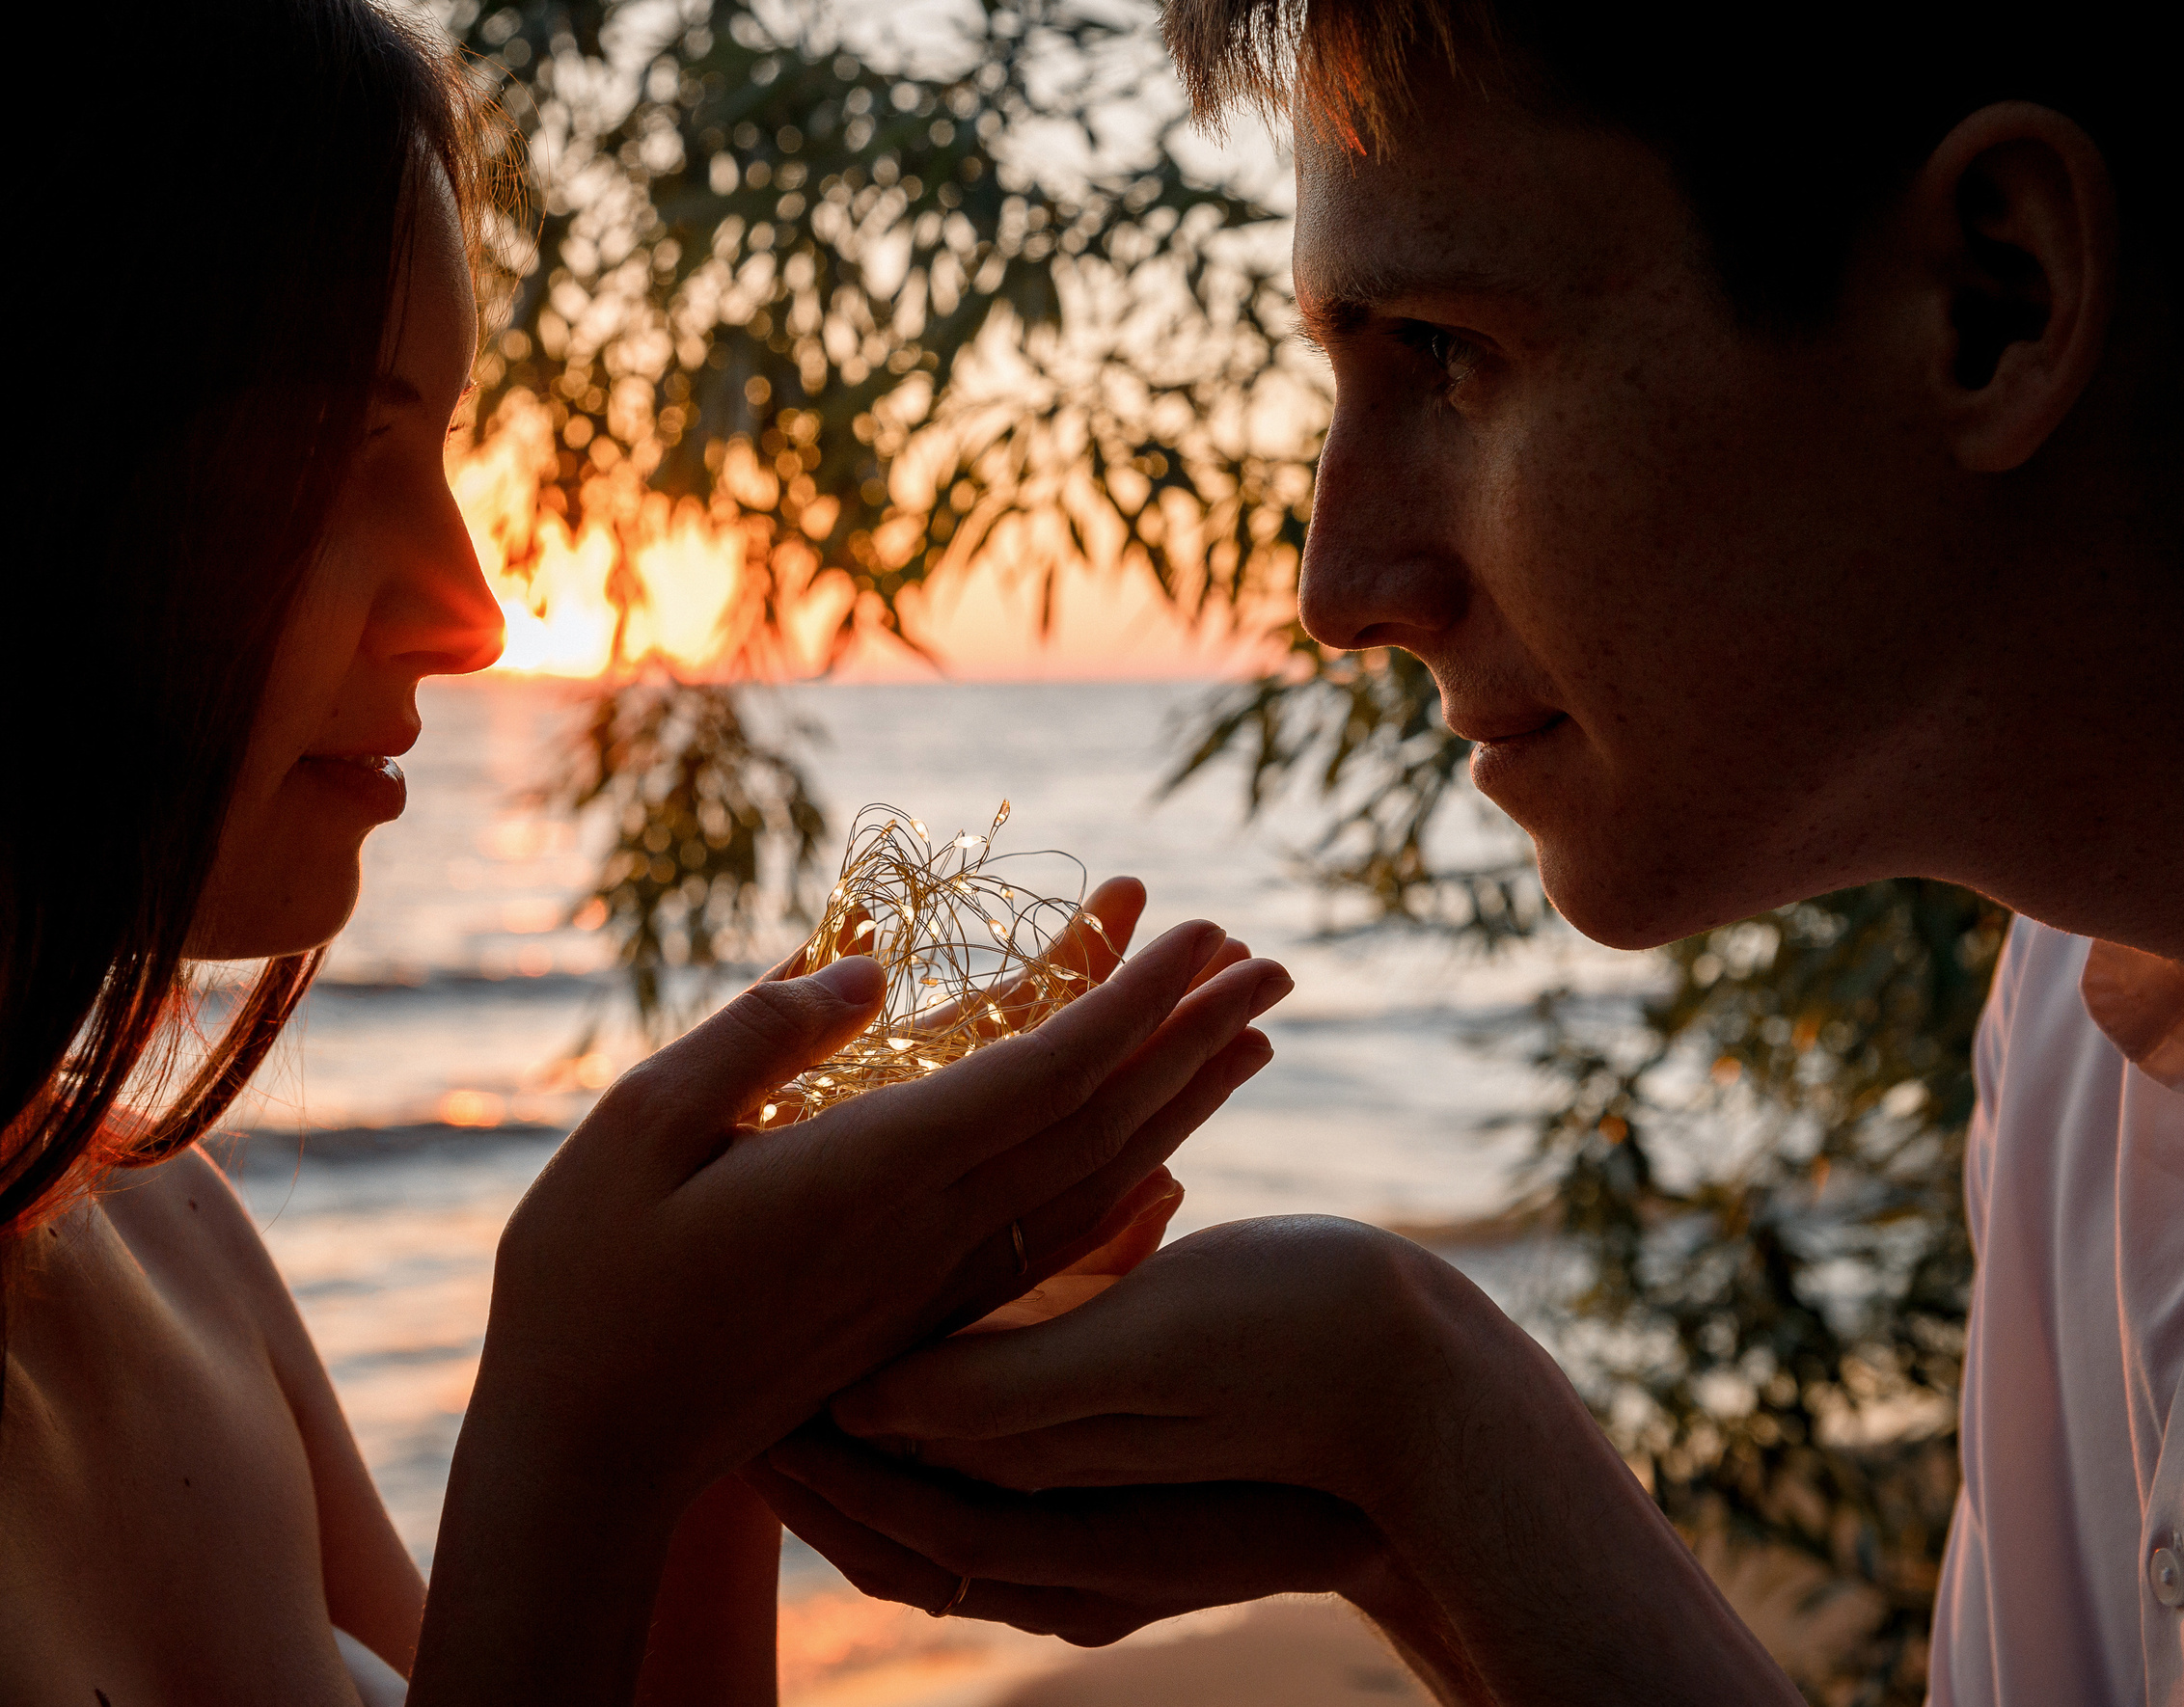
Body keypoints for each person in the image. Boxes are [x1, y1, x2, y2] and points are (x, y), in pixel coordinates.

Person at [0, 4, 1291, 1700]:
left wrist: (718, 1406)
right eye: (338, 449)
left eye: (443, 449)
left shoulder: (164, 1236)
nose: (471, 611)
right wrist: (584, 1428)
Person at [750, 2, 2182, 1702]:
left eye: (1443, 351)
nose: (1339, 583)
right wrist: (1409, 1457)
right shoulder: (2075, 1031)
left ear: (1989, 304)